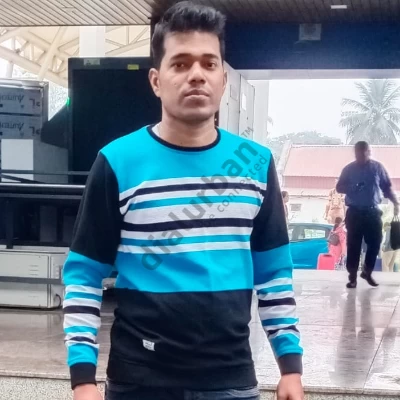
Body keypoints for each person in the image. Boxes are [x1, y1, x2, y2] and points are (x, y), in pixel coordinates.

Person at [63, 3, 304, 400]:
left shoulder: (256, 163)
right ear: (156, 81)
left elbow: (274, 274)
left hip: (230, 380)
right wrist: (83, 380)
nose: (196, 74)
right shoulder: (117, 162)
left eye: (209, 64)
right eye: (180, 64)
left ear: (223, 79)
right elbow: (84, 276)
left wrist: (290, 368)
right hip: (139, 382)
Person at [336, 141, 399, 289]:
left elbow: (387, 187)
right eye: (360, 153)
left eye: (366, 152)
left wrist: (396, 203)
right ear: (356, 153)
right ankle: (352, 277)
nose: (364, 155)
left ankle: (367, 271)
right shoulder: (349, 169)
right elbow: (339, 187)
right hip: (354, 212)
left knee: (376, 242)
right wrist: (353, 187)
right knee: (354, 245)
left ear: (369, 152)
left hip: (372, 212)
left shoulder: (377, 168)